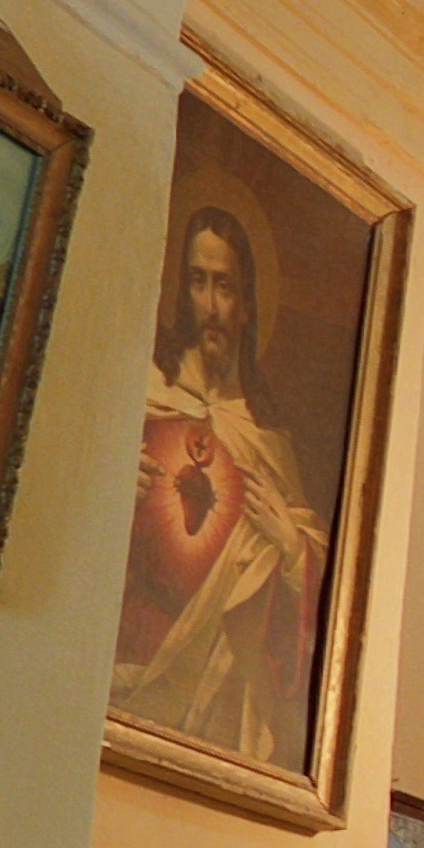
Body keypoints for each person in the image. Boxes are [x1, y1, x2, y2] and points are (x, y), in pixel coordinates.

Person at [113, 203, 329, 764]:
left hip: (222, 703)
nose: (211, 306)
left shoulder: (264, 435)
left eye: (226, 287)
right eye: (198, 282)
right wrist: (106, 490)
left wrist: (289, 547)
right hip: (123, 664)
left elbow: (322, 580)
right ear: (179, 289)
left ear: (249, 304)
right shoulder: (139, 389)